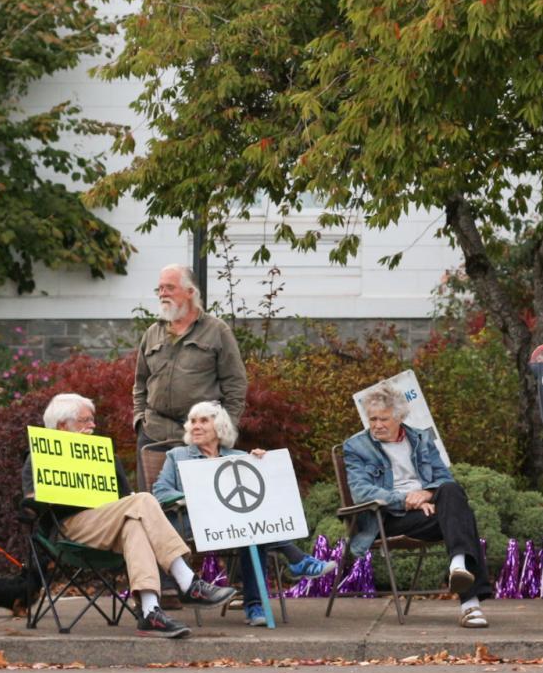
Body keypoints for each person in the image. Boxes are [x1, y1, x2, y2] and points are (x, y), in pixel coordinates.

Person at [23, 393, 236, 638]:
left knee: (134, 523)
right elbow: (29, 502)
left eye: (92, 420)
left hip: (109, 526)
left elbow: (125, 500)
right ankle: (187, 581)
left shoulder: (104, 458)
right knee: (143, 500)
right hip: (68, 528)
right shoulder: (40, 457)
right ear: (62, 425)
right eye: (85, 420)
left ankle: (149, 611)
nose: (93, 425)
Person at [152, 401, 336, 626]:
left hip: (235, 524)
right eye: (192, 421)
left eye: (203, 421)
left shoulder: (238, 456)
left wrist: (261, 463)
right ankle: (293, 565)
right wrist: (196, 498)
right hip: (195, 524)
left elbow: (259, 498)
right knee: (250, 527)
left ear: (219, 427)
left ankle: (257, 605)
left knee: (252, 530)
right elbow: (161, 492)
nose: (195, 426)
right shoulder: (177, 455)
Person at [343, 382, 492, 628]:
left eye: (384, 419)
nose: (377, 425)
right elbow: (362, 492)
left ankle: (458, 566)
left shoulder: (420, 439)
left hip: (427, 511)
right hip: (386, 518)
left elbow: (443, 477)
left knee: (451, 491)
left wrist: (426, 493)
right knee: (461, 517)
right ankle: (469, 602)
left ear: (400, 417)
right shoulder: (356, 446)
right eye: (372, 419)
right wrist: (406, 500)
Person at [132, 264, 247, 449]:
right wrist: (139, 421)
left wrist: (225, 428)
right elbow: (140, 383)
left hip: (201, 436)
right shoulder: (152, 332)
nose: (163, 293)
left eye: (170, 287)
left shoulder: (217, 330)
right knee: (155, 480)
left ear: (190, 292)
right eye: (160, 288)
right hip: (153, 434)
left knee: (198, 480)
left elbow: (235, 384)